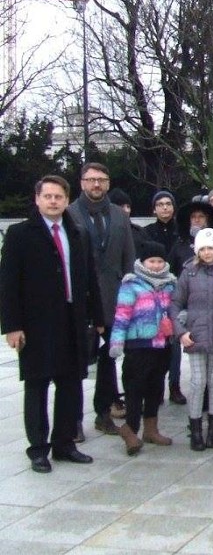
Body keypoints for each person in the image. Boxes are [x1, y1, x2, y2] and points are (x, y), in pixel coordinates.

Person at [2, 174, 104, 474]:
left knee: (71, 384)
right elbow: (8, 284)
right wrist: (12, 325)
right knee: (37, 385)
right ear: (37, 199)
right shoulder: (21, 234)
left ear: (66, 199)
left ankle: (64, 443)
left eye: (58, 197)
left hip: (72, 320)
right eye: (47, 196)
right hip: (36, 324)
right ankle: (38, 448)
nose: (53, 201)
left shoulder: (77, 232)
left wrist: (98, 318)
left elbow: (89, 279)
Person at [68, 163, 136, 436]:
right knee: (74, 363)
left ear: (108, 183)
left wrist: (129, 293)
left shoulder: (119, 216)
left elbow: (129, 257)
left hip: (112, 299)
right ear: (82, 183)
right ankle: (72, 419)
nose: (96, 185)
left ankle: (103, 412)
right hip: (79, 301)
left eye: (101, 180)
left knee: (109, 360)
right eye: (91, 180)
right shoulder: (69, 214)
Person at [169, 227, 213, 451]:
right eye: (203, 248)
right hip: (195, 335)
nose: (207, 253)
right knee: (198, 382)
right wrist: (180, 331)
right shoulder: (188, 273)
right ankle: (196, 428)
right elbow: (175, 304)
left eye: (211, 248)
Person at [109, 240, 176, 456]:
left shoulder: (170, 284)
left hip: (162, 345)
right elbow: (122, 315)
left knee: (155, 388)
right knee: (135, 388)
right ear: (142, 262)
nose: (156, 265)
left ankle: (151, 428)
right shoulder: (131, 284)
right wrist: (117, 341)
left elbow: (177, 310)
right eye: (151, 261)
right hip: (138, 346)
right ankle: (130, 429)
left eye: (159, 261)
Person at [166, 200, 213, 404]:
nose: (197, 220)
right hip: (185, 306)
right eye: (194, 217)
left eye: (201, 217)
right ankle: (175, 386)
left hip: (211, 307)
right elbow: (171, 273)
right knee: (182, 352)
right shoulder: (179, 245)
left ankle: (209, 396)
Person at [109, 188, 150, 255]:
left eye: (128, 206)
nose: (127, 210)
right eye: (122, 206)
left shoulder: (140, 232)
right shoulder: (103, 231)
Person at [143, 190, 179, 255]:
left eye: (168, 204)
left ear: (173, 208)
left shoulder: (182, 230)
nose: (165, 207)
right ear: (154, 210)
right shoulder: (146, 231)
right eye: (160, 204)